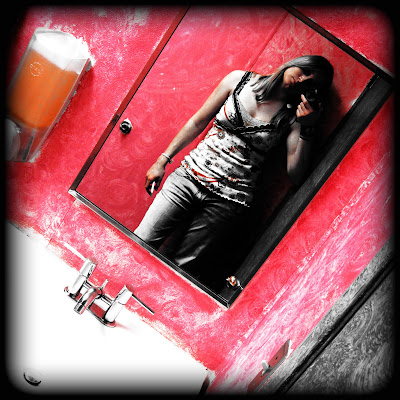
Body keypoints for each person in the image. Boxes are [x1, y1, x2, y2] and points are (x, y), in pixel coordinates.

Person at [134, 55, 334, 274]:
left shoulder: (293, 119)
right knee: (140, 242)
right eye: (305, 71)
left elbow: (296, 175)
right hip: (188, 178)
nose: (302, 80)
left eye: (311, 83)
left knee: (180, 269)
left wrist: (308, 128)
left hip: (228, 201)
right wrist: (162, 160)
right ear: (296, 63)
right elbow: (197, 122)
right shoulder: (238, 80)